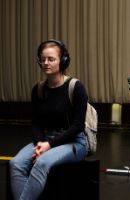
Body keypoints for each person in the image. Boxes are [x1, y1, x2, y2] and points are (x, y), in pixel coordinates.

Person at [9, 39, 89, 200]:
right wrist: (40, 144)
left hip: (74, 142)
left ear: (63, 61)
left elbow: (78, 126)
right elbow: (36, 123)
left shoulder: (76, 87)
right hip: (45, 140)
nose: (46, 63)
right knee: (15, 163)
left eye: (51, 59)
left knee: (42, 162)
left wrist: (49, 146)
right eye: (43, 59)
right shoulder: (38, 89)